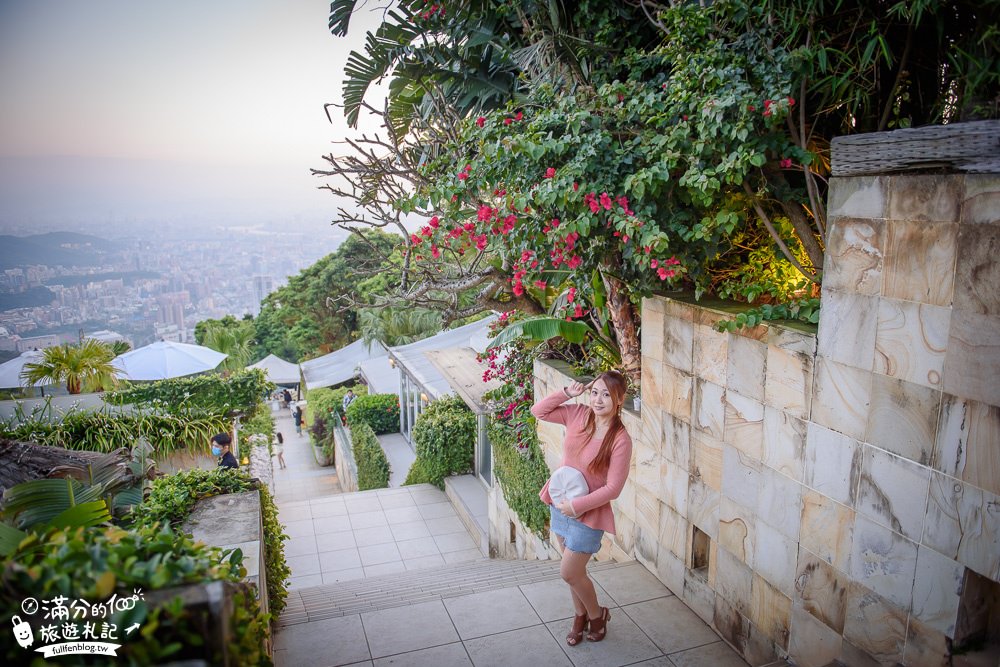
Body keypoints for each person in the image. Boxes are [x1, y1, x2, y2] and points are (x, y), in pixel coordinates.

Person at [532, 370, 632, 646]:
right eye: (595, 392)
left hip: (588, 514)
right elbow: (538, 410)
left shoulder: (620, 439)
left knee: (569, 572)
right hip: (559, 504)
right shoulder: (577, 414)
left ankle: (597, 615)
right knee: (574, 574)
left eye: (607, 395)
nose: (598, 400)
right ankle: (580, 616)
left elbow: (613, 489)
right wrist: (566, 393)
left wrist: (576, 506)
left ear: (620, 399)